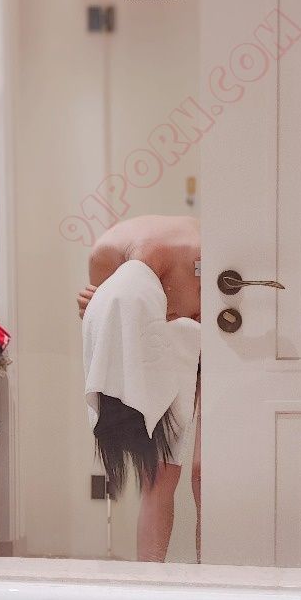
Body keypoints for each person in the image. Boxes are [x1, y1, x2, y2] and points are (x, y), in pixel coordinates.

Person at [77, 214, 201, 563]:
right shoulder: (107, 254)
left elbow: (229, 317)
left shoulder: (197, 254)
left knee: (205, 472)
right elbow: (108, 333)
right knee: (157, 474)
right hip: (162, 341)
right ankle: (149, 581)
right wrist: (91, 310)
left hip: (215, 345)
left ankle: (212, 578)